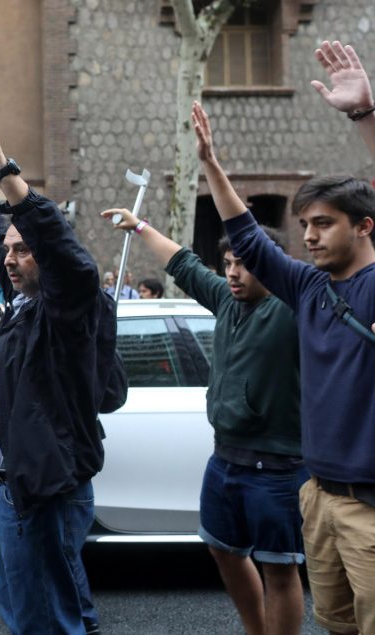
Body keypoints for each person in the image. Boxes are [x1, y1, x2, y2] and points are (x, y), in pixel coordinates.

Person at [194, 55, 375, 631]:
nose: (310, 236)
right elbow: (248, 238)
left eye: (323, 223)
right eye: (305, 226)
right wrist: (211, 166)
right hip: (317, 496)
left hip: (369, 505)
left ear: (364, 225)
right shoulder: (307, 287)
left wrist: (366, 115)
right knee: (338, 626)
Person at [0, 106, 105, 635]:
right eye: (10, 251)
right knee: (25, 615)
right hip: (2, 490)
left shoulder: (67, 303)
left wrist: (4, 170)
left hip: (39, 491)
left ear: (47, 257)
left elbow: (66, 255)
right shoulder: (24, 298)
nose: (10, 258)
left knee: (46, 620)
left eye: (23, 250)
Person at [101, 207, 307, 635]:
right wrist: (139, 226)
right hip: (225, 459)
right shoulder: (225, 301)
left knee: (280, 569)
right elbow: (183, 262)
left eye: (244, 264)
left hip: (278, 465)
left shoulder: (292, 307)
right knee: (223, 550)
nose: (233, 273)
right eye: (229, 263)